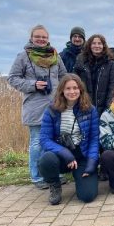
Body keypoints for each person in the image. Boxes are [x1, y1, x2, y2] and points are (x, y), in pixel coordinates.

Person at [8, 24, 67, 189]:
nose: (41, 39)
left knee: (55, 140)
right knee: (37, 142)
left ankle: (53, 172)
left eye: (44, 37)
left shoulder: (55, 56)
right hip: (35, 106)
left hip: (55, 105)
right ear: (32, 38)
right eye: (38, 37)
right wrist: (33, 85)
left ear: (48, 39)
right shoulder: (23, 57)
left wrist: (64, 94)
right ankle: (37, 177)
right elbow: (12, 78)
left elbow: (64, 76)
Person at [38, 73, 99, 204]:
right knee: (46, 159)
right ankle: (54, 184)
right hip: (60, 155)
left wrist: (92, 162)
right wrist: (65, 153)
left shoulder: (90, 110)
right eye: (68, 88)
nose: (72, 91)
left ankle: (80, 177)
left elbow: (94, 139)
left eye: (75, 88)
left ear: (80, 90)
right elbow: (44, 139)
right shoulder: (52, 110)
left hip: (81, 155)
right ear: (62, 91)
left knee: (87, 196)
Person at [74, 34, 114, 116]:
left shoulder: (112, 65)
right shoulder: (81, 62)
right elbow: (75, 84)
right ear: (89, 45)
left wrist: (108, 110)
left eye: (99, 43)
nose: (97, 46)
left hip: (104, 110)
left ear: (103, 46)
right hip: (83, 106)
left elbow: (113, 89)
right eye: (94, 43)